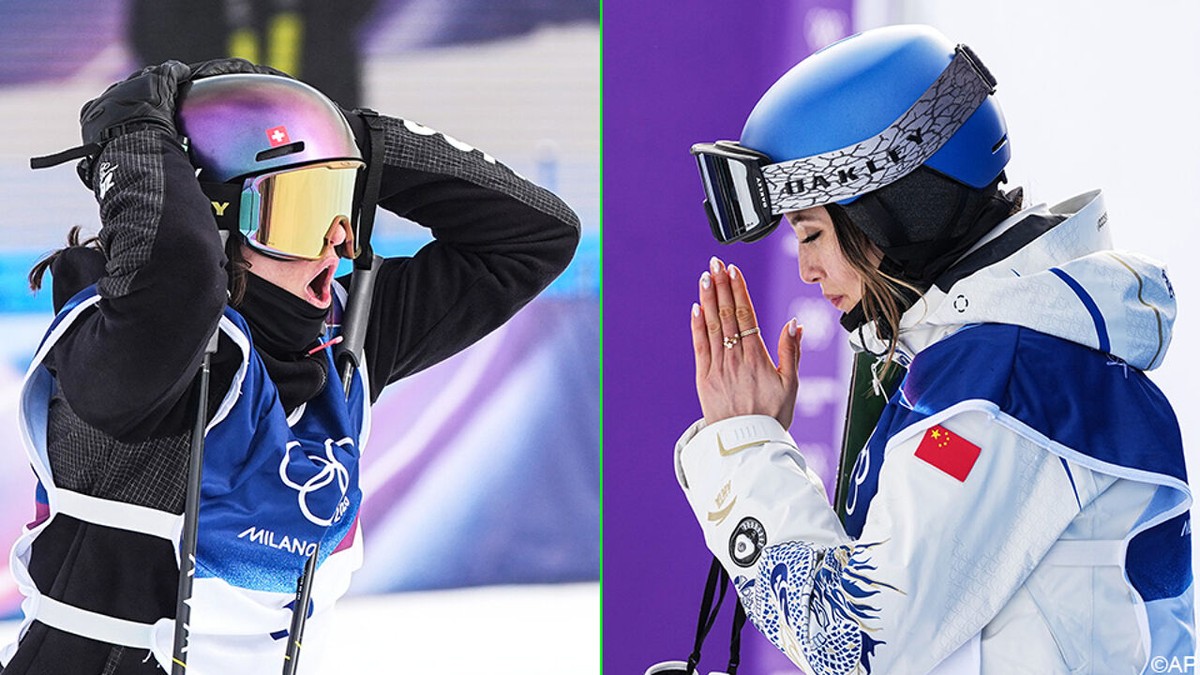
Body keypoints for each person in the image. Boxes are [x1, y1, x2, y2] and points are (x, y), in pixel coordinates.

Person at [0, 59, 579, 674]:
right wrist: (136, 140)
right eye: (300, 214)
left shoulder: (340, 348)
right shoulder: (138, 354)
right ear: (215, 224)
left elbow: (534, 236)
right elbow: (178, 281)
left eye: (339, 204)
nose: (337, 242)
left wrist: (336, 133)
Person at [678, 25, 1191, 674]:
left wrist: (748, 454)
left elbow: (853, 642)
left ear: (893, 209)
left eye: (811, 233)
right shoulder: (1007, 365)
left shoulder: (1005, 383)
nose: (805, 269)